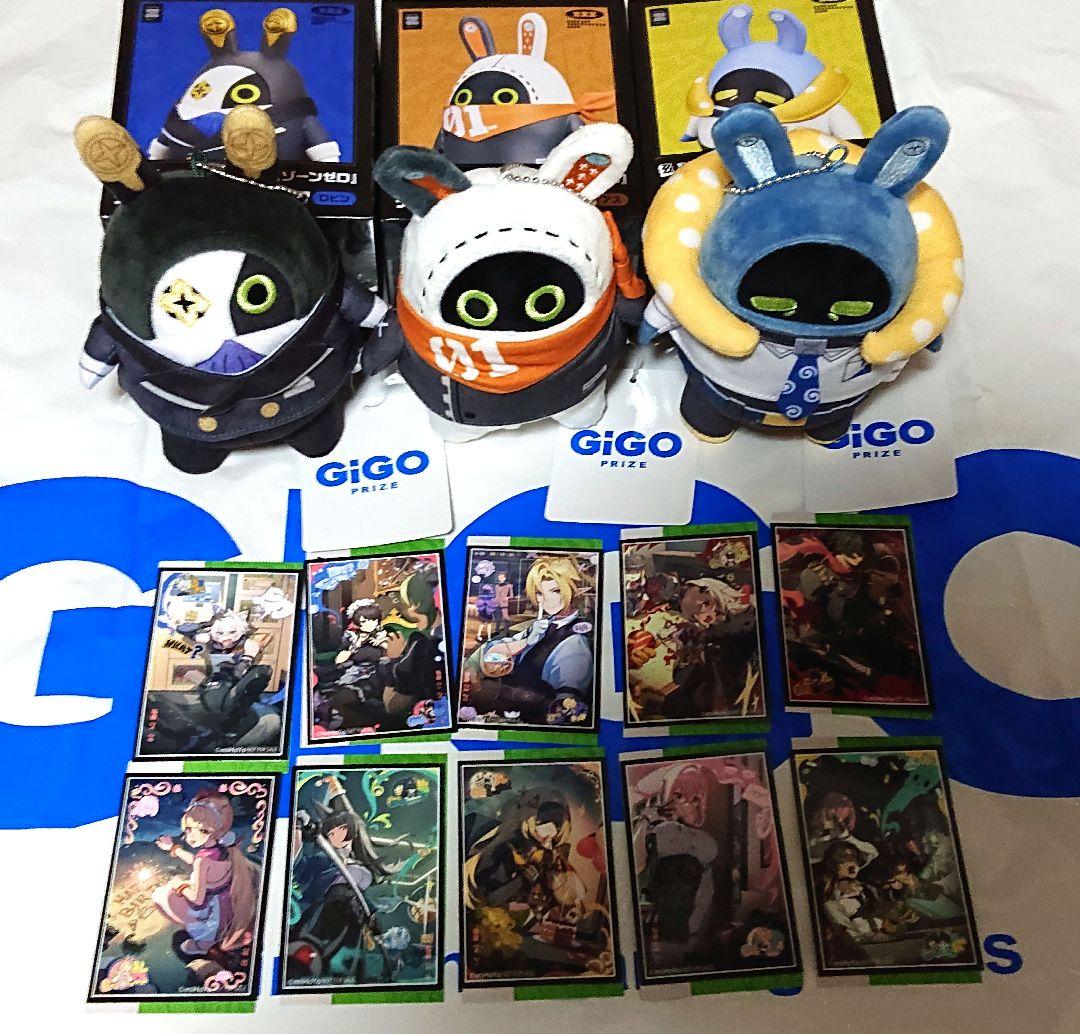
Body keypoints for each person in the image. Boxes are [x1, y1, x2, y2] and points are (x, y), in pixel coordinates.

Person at [152, 791, 259, 959]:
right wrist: (173, 848)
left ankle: (203, 943)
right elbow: (198, 861)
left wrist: (179, 885)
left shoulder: (203, 862)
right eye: (186, 831)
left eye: (190, 830)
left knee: (162, 896)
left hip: (213, 912)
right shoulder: (221, 849)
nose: (187, 836)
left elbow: (197, 898)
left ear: (207, 830)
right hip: (226, 903)